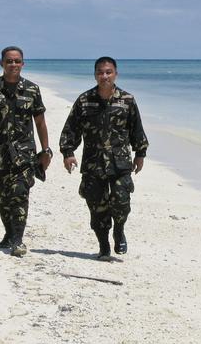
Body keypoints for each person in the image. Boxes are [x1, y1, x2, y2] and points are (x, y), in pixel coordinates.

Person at [59, 57, 149, 258]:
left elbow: (136, 128)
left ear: (116, 73)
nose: (104, 76)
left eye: (108, 72)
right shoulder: (84, 100)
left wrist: (140, 153)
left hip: (120, 163)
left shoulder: (127, 100)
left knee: (121, 202)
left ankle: (119, 230)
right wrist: (68, 153)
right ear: (95, 75)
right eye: (100, 72)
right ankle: (104, 246)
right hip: (93, 163)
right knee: (96, 207)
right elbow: (71, 128)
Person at [0, 46, 52, 257]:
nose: (13, 64)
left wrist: (46, 150)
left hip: (24, 154)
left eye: (17, 61)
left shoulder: (32, 90)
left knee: (19, 194)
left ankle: (17, 240)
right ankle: (9, 233)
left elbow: (40, 122)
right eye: (9, 61)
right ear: (2, 63)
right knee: (2, 195)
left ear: (23, 63)